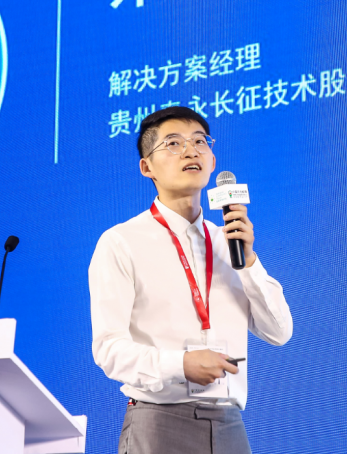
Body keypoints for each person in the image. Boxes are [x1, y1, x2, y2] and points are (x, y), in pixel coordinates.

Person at [89, 106, 293, 454]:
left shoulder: (229, 243)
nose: (190, 151)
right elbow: (109, 350)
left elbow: (279, 331)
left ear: (212, 162)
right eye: (173, 143)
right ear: (147, 167)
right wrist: (180, 365)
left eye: (200, 141)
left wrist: (249, 262)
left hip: (229, 425)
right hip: (158, 420)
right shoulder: (121, 241)